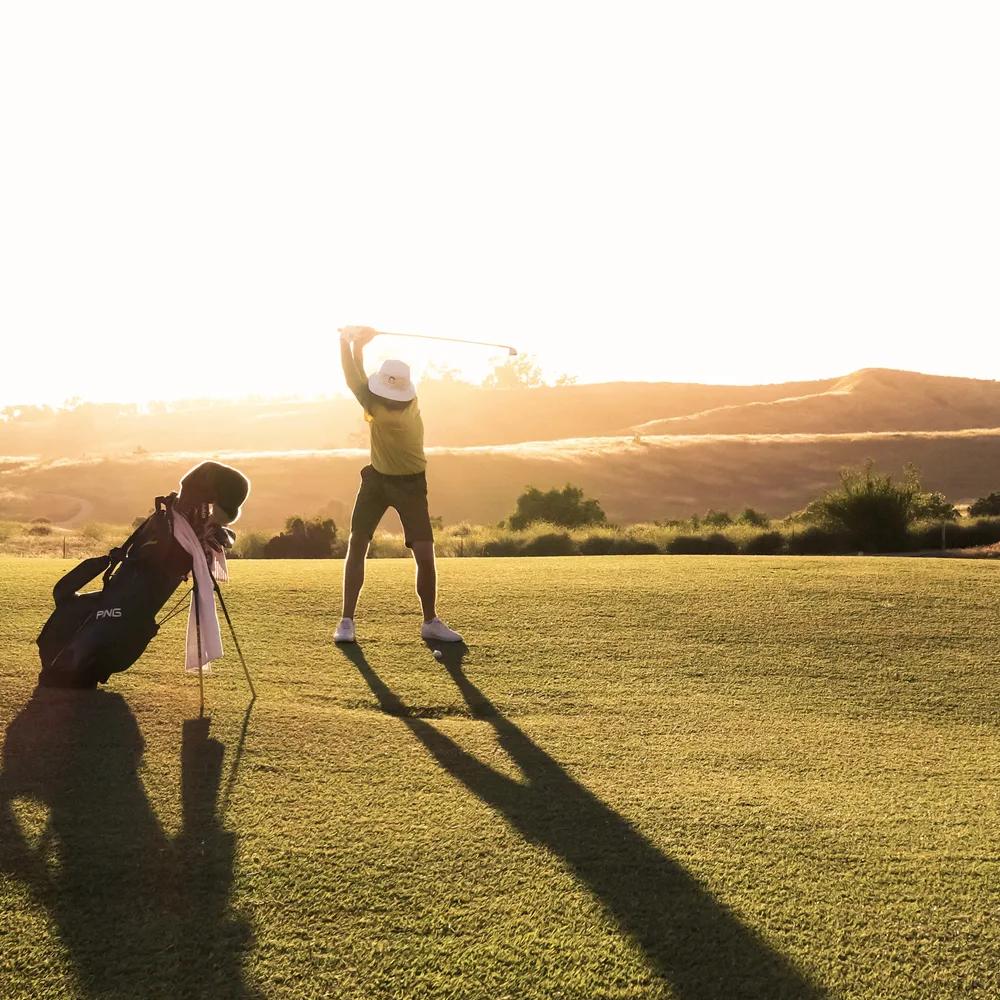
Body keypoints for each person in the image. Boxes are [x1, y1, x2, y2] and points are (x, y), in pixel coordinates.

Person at [334, 325, 462, 644]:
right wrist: (355, 344)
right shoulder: (386, 400)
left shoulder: (391, 411)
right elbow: (357, 378)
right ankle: (346, 621)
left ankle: (430, 621)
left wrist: (350, 342)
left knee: (423, 553)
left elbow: (354, 379)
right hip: (376, 480)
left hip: (410, 485)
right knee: (357, 543)